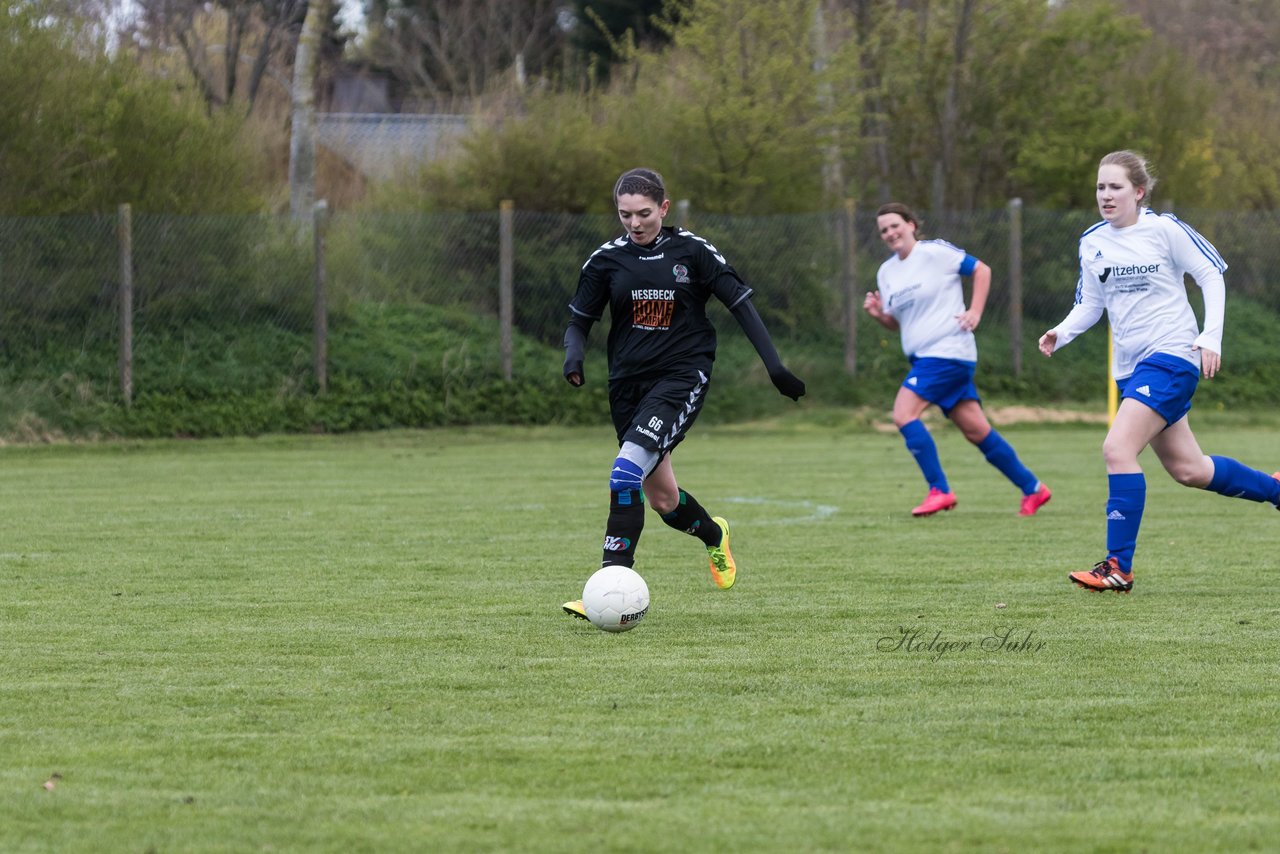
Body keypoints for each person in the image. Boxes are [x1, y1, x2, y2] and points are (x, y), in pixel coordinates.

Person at [560, 168, 806, 620]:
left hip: (680, 377)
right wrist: (573, 356)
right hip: (626, 387)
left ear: (664, 208)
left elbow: (740, 303)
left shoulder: (692, 252)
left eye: (644, 213)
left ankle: (609, 582)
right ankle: (714, 535)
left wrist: (775, 367)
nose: (634, 223)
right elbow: (579, 319)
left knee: (624, 473)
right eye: (625, 214)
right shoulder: (605, 260)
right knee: (664, 500)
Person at [1039, 150, 1280, 593]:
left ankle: (1118, 567)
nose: (1106, 195)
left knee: (1117, 449)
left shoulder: (1164, 229)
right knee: (1190, 469)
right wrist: (1062, 331)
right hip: (1130, 369)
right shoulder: (1092, 242)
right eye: (1100, 187)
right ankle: (1276, 489)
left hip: (1173, 354)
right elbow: (1090, 305)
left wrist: (1212, 336)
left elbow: (1212, 275)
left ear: (1138, 191)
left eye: (1115, 187)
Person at [863, 202, 1051, 518]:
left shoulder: (934, 253)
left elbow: (981, 269)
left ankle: (939, 490)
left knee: (903, 414)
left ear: (911, 224)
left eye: (895, 225)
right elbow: (899, 323)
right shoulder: (887, 272)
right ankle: (1033, 489)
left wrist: (975, 311)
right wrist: (879, 315)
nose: (890, 233)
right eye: (883, 230)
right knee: (977, 431)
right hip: (925, 359)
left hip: (947, 351)